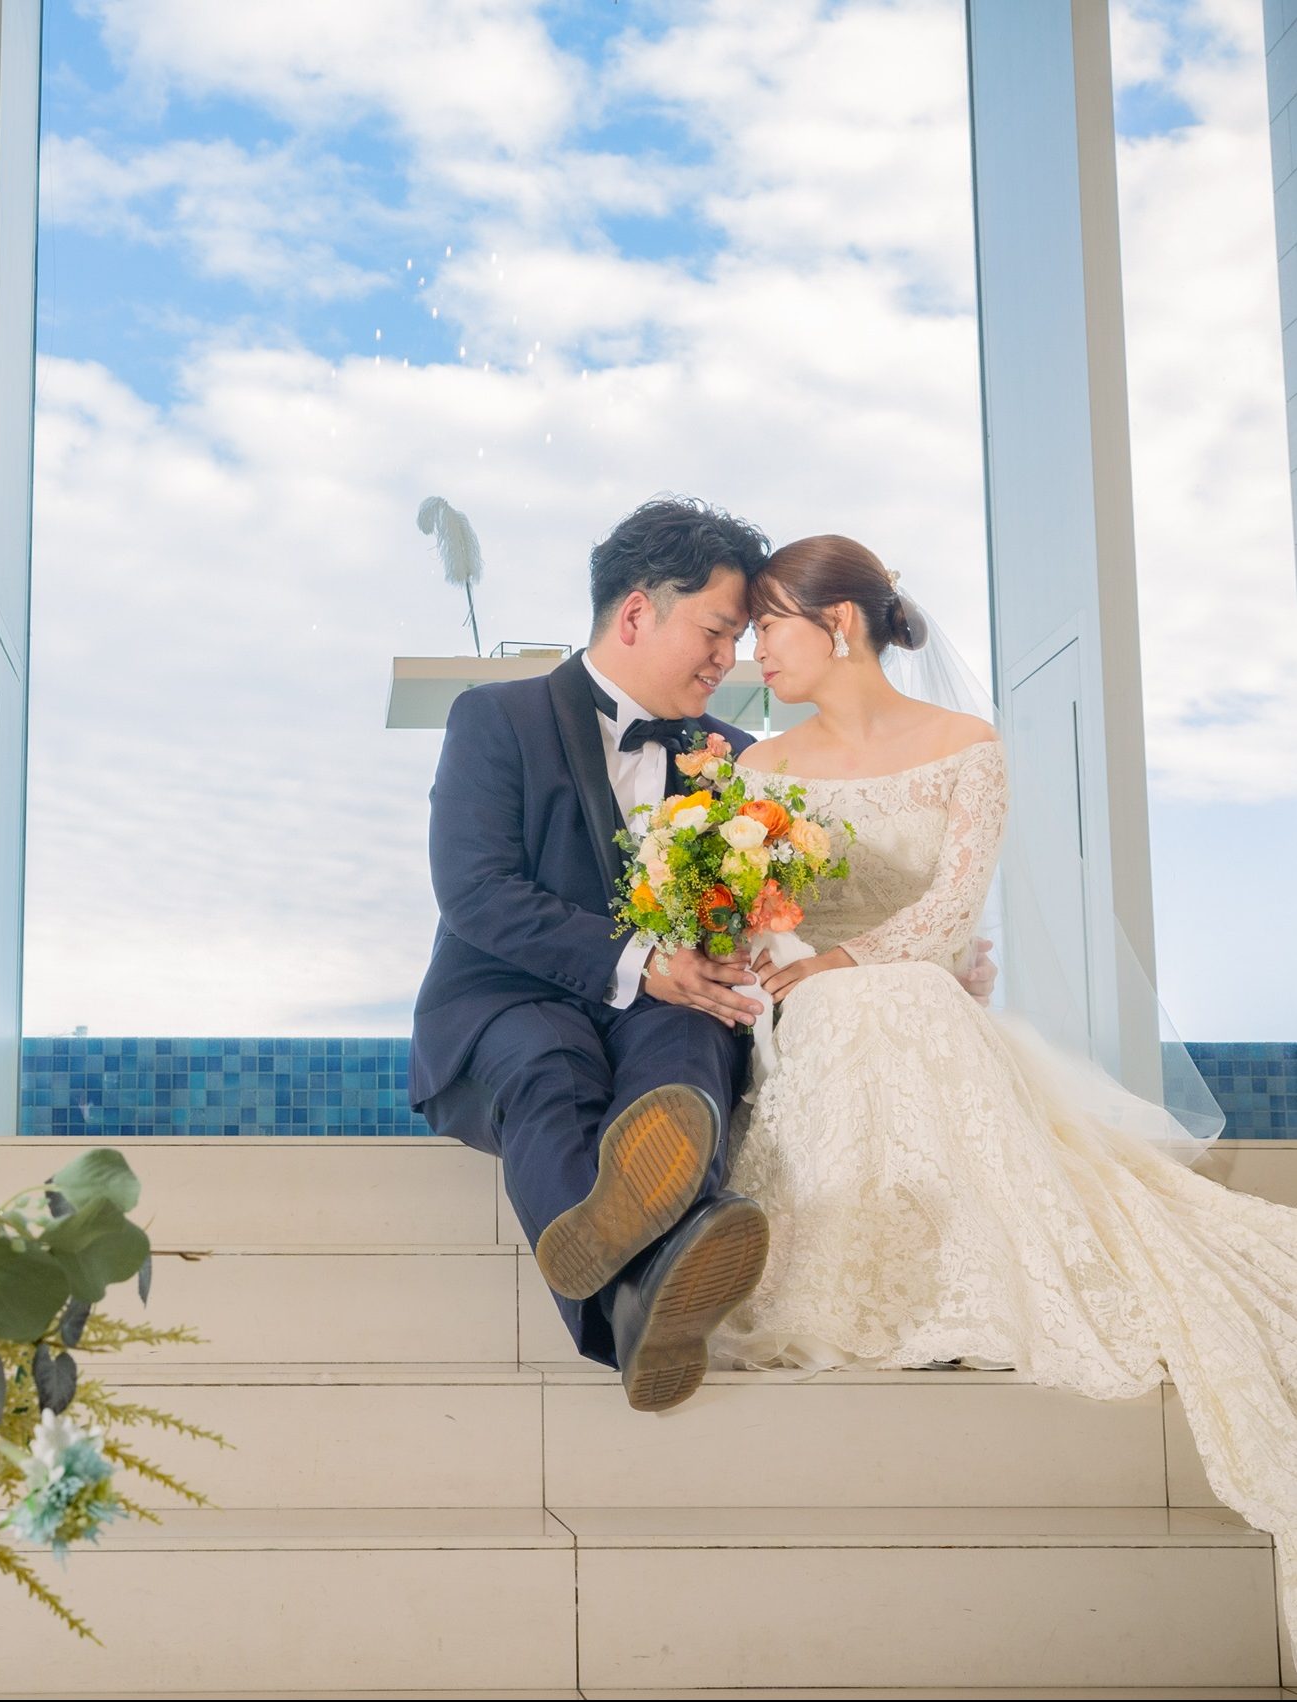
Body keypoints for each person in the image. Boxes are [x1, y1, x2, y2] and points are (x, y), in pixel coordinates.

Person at [711, 532, 1297, 1636]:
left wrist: (845, 963)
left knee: (905, 994)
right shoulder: (758, 768)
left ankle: (954, 1252)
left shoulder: (965, 747)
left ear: (839, 623)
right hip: (807, 1002)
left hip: (907, 993)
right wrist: (785, 962)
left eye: (769, 625)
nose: (755, 651)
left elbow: (950, 911)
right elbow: (747, 919)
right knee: (869, 1001)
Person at [409, 499, 992, 1411]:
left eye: (744, 637)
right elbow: (477, 892)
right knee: (550, 1066)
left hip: (673, 1005)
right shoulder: (497, 718)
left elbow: (799, 908)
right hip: (513, 999)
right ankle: (651, 1282)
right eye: (718, 632)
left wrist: (925, 960)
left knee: (689, 1057)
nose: (731, 660)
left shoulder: (739, 761)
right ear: (637, 613)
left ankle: (644, 1263)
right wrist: (643, 962)